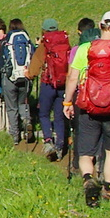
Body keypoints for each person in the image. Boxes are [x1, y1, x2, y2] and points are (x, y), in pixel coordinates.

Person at [65, 11, 110, 207]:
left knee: (87, 153)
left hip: (88, 108)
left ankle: (89, 179)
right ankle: (108, 188)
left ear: (100, 25)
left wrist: (67, 102)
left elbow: (73, 77)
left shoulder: (85, 49)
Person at [37, 18, 73, 163]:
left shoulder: (44, 44)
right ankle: (60, 146)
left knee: (44, 114)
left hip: (48, 83)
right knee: (59, 117)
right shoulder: (65, 43)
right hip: (63, 84)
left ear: (44, 30)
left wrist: (29, 74)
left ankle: (48, 141)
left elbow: (35, 66)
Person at [3, 17, 35, 145]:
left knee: (12, 108)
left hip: (11, 78)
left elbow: (3, 59)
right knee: (23, 103)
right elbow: (34, 54)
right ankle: (27, 121)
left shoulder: (8, 40)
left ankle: (14, 136)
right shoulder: (26, 39)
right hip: (25, 76)